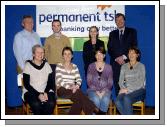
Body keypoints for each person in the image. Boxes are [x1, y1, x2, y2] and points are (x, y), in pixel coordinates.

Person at [56, 46, 100, 115]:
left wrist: (76, 86)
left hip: (74, 90)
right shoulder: (59, 66)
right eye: (65, 54)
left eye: (69, 54)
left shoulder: (75, 66)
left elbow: (79, 79)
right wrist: (70, 87)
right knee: (78, 92)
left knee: (78, 101)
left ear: (72, 56)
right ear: (62, 56)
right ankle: (93, 108)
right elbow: (59, 80)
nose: (67, 56)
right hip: (62, 89)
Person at [107, 13, 138, 96]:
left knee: (129, 83)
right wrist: (117, 58)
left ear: (124, 20)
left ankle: (127, 105)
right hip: (115, 64)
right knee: (117, 84)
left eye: (121, 19)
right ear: (115, 22)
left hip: (128, 62)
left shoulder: (132, 31)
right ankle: (119, 106)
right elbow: (110, 49)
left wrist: (124, 57)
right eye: (117, 20)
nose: (119, 21)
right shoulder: (112, 33)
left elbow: (134, 46)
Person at [23, 44, 56, 115]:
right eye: (38, 52)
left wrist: (45, 92)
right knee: (36, 104)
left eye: (42, 52)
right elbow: (26, 84)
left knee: (51, 103)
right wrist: (38, 94)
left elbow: (51, 83)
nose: (40, 54)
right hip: (31, 91)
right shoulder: (28, 65)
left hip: (45, 90)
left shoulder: (47, 65)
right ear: (33, 54)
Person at [115, 46, 146, 115]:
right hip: (126, 90)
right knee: (117, 101)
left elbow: (140, 83)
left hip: (139, 90)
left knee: (127, 98)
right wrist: (123, 88)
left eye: (133, 53)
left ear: (137, 55)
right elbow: (120, 81)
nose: (131, 55)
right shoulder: (124, 66)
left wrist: (128, 90)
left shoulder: (141, 66)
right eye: (129, 53)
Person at [44, 19, 71, 87]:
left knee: (63, 87)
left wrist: (66, 64)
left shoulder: (66, 39)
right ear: (52, 27)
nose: (56, 27)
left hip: (63, 66)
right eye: (54, 26)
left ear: (60, 27)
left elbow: (69, 53)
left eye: (58, 25)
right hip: (51, 66)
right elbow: (45, 54)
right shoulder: (48, 39)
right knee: (52, 86)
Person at [87, 47, 113, 114]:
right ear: (95, 56)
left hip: (106, 90)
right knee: (96, 99)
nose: (99, 56)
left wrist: (103, 92)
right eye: (97, 54)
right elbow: (89, 82)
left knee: (105, 99)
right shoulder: (91, 66)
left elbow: (110, 83)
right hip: (92, 90)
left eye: (101, 54)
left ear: (104, 55)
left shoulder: (109, 67)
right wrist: (97, 91)